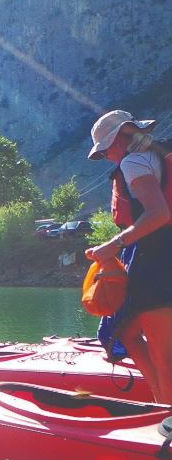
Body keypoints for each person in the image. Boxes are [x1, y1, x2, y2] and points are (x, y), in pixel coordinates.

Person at [86, 110, 172, 403]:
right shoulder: (157, 154)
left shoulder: (134, 162)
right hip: (159, 258)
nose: (109, 157)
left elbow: (159, 213)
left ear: (123, 136)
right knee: (124, 332)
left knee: (164, 358)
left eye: (108, 149)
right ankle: (161, 407)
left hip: (159, 262)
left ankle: (167, 422)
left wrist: (114, 244)